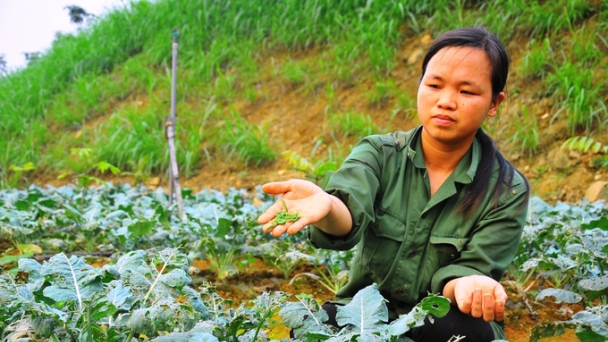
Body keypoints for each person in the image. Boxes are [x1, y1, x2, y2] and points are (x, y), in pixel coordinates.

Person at [258, 27, 530, 341]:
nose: (445, 101)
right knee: (315, 329)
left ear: (494, 103)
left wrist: (468, 284)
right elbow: (347, 210)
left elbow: (468, 271)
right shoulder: (378, 153)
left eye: (466, 92)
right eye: (434, 85)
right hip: (362, 312)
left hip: (440, 319)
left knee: (469, 332)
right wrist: (328, 206)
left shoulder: (507, 191)